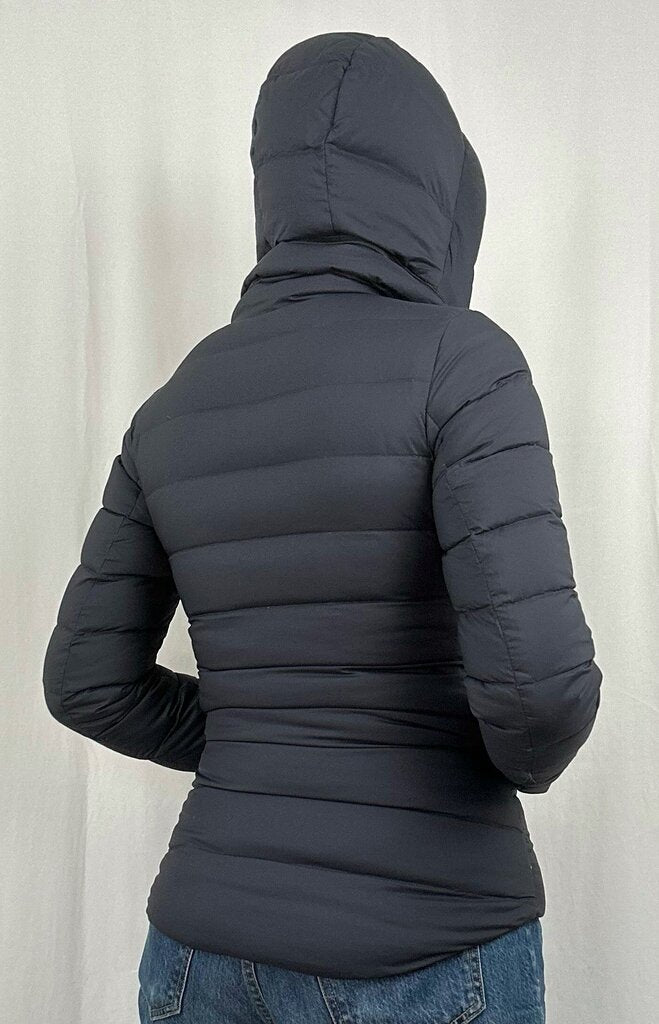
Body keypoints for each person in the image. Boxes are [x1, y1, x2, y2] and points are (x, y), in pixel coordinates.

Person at [42, 30, 602, 1024]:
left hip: (200, 955)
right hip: (429, 942)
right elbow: (539, 699)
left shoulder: (174, 402)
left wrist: (261, 740)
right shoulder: (462, 363)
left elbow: (85, 682)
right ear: (433, 190)